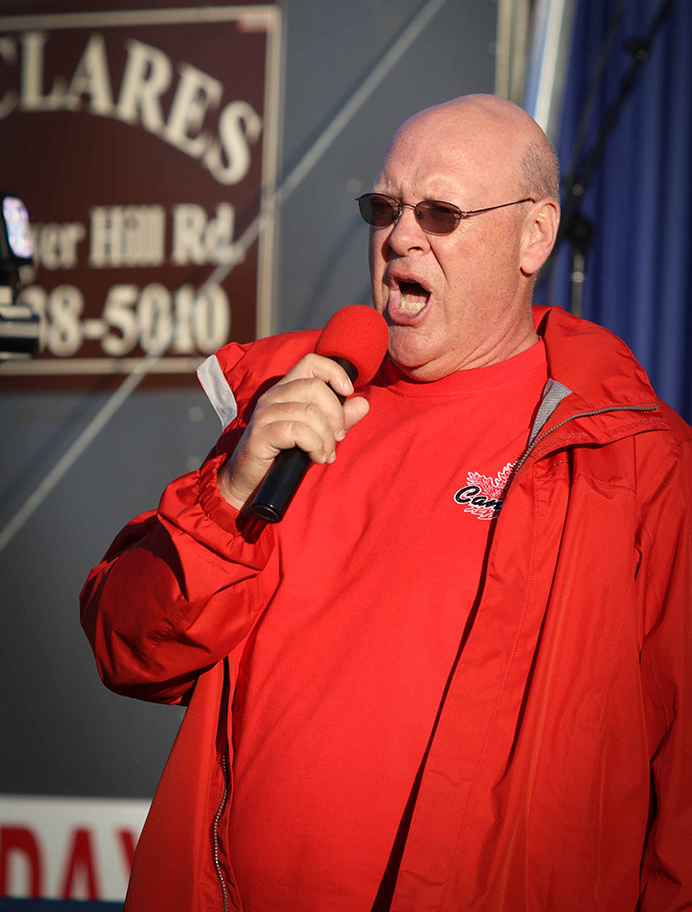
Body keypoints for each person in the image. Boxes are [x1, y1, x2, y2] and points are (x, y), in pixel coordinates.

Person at [80, 95, 692, 912]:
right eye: (385, 208)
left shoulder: (634, 461)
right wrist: (227, 498)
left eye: (440, 212)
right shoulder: (290, 405)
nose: (402, 236)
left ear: (534, 236)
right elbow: (132, 652)